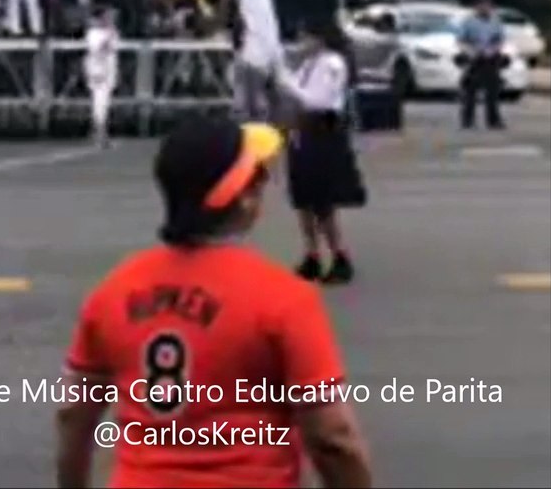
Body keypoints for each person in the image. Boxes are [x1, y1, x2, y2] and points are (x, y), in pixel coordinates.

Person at [56, 116, 373, 489]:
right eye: (258, 176)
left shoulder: (114, 291)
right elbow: (332, 437)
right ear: (242, 198)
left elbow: (73, 414)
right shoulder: (282, 298)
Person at [272, 16, 366, 284]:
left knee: (322, 202)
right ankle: (312, 255)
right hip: (302, 132)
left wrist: (286, 83)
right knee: (303, 200)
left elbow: (318, 100)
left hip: (323, 132)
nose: (302, 41)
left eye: (306, 36)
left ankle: (340, 256)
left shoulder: (332, 64)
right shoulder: (308, 64)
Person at [456, 0, 506, 130]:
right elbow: (461, 40)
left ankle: (493, 120)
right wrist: (470, 52)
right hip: (475, 59)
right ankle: (468, 120)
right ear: (476, 6)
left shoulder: (496, 21)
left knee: (493, 92)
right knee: (470, 91)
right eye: (481, 5)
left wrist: (494, 50)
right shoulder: (468, 22)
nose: (485, 8)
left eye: (487, 5)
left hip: (491, 59)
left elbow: (500, 39)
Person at [83, 5, 118, 149]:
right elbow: (97, 50)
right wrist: (108, 37)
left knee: (104, 103)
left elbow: (113, 49)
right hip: (98, 69)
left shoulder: (113, 32)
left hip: (109, 69)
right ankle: (100, 134)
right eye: (107, 16)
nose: (110, 19)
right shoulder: (93, 33)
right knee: (99, 102)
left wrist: (110, 34)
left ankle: (99, 133)